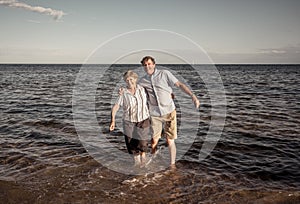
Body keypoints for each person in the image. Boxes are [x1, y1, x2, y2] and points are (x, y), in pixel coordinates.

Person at [138, 56, 200, 167]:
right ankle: (153, 159)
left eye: (149, 64)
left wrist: (192, 96)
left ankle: (172, 165)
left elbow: (179, 84)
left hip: (169, 111)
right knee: (153, 141)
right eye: (145, 65)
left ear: (154, 64)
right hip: (154, 113)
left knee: (170, 140)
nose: (147, 66)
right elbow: (134, 90)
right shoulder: (142, 81)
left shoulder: (164, 74)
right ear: (143, 67)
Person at [110, 70, 150, 168]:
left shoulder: (143, 89)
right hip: (128, 121)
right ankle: (137, 164)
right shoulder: (123, 93)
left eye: (131, 79)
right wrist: (113, 120)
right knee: (131, 143)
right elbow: (116, 106)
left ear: (135, 79)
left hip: (143, 119)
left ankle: (143, 162)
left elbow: (155, 93)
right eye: (127, 80)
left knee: (142, 142)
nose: (129, 82)